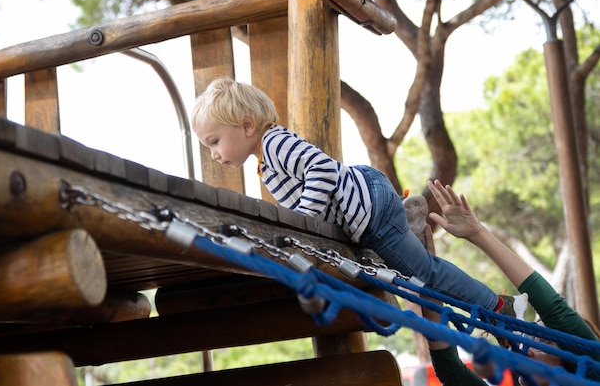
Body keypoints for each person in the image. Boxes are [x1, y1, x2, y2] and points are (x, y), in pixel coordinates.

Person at [191, 76, 519, 316]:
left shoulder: (274, 145)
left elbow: (323, 169)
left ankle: (498, 306)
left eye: (214, 141)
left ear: (247, 125)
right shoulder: (267, 156)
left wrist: (304, 219)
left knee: (422, 273)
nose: (214, 154)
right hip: (367, 196)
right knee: (409, 259)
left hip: (371, 211)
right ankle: (403, 220)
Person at [423, 179, 600, 386]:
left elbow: (553, 308)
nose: (528, 346)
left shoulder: (593, 374)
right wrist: (426, 271)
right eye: (531, 336)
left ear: (575, 362)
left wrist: (477, 234)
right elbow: (452, 369)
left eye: (544, 341)